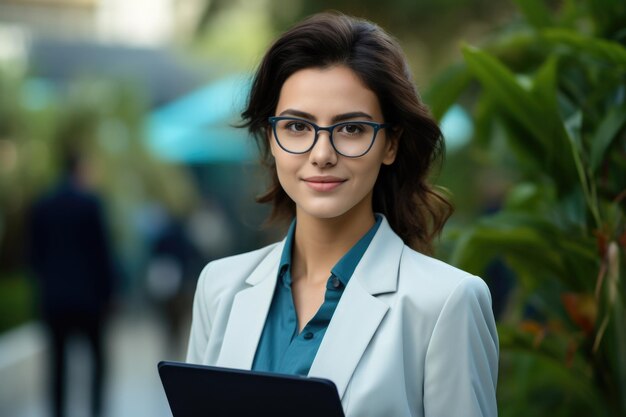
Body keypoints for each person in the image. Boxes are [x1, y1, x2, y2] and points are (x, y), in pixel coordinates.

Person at [186, 12, 498, 417]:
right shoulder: (219, 287)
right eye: (297, 126)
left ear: (390, 145)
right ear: (272, 139)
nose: (321, 155)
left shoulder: (446, 303)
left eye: (351, 129)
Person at [28, 150, 115, 417]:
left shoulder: (42, 205)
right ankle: (97, 409)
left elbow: (33, 255)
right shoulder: (91, 204)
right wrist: (109, 293)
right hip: (89, 298)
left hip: (54, 299)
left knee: (57, 364)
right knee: (98, 360)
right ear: (80, 169)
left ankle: (57, 411)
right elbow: (102, 252)